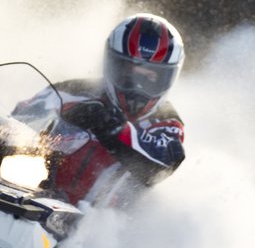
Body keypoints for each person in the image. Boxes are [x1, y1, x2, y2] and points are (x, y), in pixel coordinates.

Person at [12, 13, 186, 208]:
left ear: (168, 78)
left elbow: (164, 162)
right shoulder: (68, 92)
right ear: (111, 64)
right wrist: (57, 117)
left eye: (150, 78)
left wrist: (110, 126)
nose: (138, 87)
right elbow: (18, 119)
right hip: (28, 194)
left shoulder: (166, 123)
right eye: (129, 74)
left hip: (100, 220)